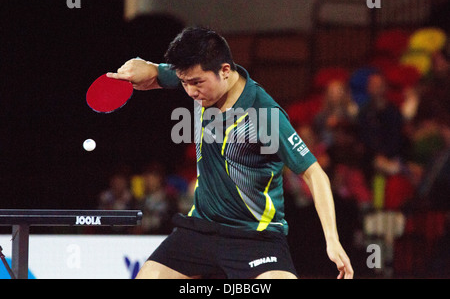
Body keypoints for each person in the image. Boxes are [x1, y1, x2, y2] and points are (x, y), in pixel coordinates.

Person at [107, 27, 353, 279]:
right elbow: (159, 72)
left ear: (225, 71)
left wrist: (332, 241)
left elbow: (315, 174)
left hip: (256, 236)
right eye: (184, 82)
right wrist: (143, 66)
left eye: (195, 83)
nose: (190, 91)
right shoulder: (198, 75)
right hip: (201, 229)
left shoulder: (265, 114)